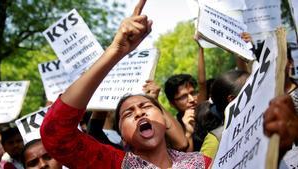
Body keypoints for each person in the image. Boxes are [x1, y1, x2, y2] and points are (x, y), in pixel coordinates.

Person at [40, 0, 211, 168]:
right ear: (122, 136)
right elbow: (55, 134)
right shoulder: (112, 164)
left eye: (146, 106)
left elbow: (181, 142)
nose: (139, 113)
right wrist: (116, 50)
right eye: (128, 114)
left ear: (164, 120)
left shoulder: (203, 163)